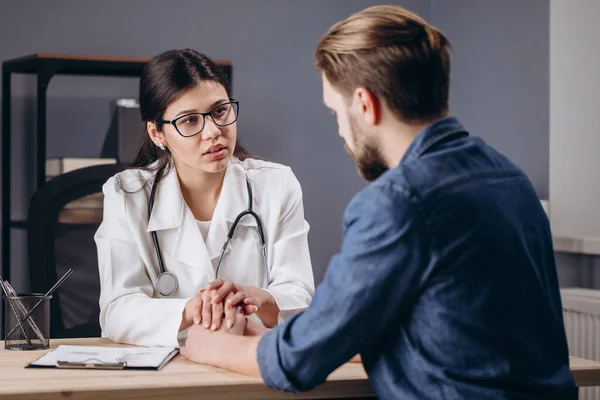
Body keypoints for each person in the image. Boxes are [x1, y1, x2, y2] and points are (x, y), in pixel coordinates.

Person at [180, 5, 578, 399]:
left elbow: (297, 363)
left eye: (336, 111)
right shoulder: (508, 177)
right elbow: (443, 331)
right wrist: (273, 334)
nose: (340, 130)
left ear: (365, 105)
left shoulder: (399, 202)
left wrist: (207, 344)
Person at [95, 49, 315, 348]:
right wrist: (191, 309)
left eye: (220, 111)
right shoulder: (126, 194)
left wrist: (261, 298)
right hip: (167, 370)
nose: (213, 131)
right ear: (157, 133)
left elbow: (300, 296)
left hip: (250, 360)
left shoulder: (276, 184)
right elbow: (116, 311)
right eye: (189, 120)